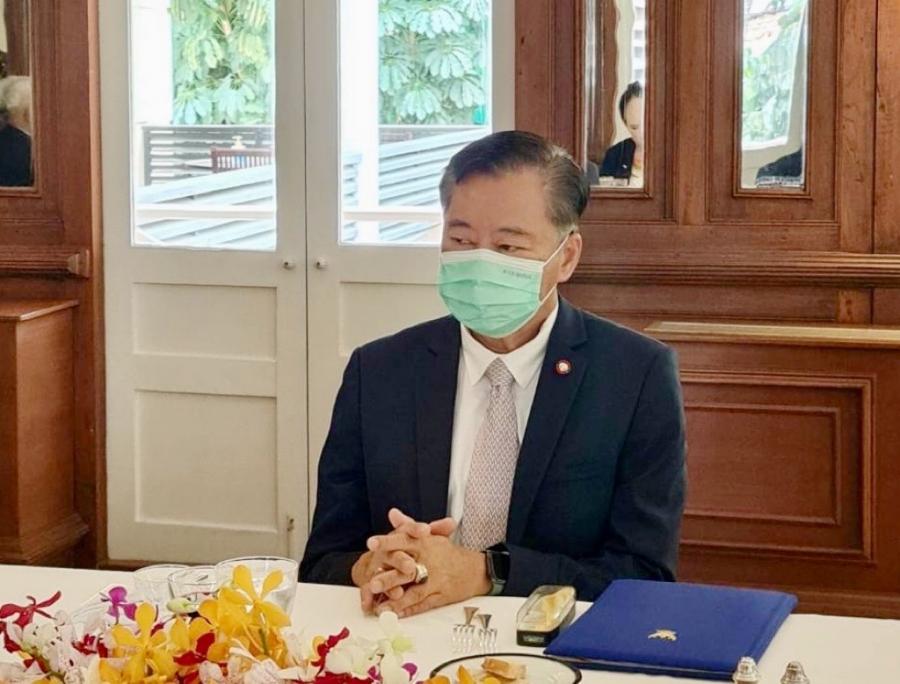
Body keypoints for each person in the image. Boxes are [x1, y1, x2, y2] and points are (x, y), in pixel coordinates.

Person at [300, 130, 686, 617]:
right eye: (460, 240)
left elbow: (643, 577)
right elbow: (322, 563)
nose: (479, 263)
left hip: (550, 644)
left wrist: (486, 571)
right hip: (407, 636)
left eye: (508, 246)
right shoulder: (379, 372)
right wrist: (370, 565)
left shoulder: (635, 376)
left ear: (566, 257)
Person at [587, 81, 644, 187]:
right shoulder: (615, 155)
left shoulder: (672, 154)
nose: (642, 132)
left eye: (648, 123)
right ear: (626, 125)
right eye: (634, 127)